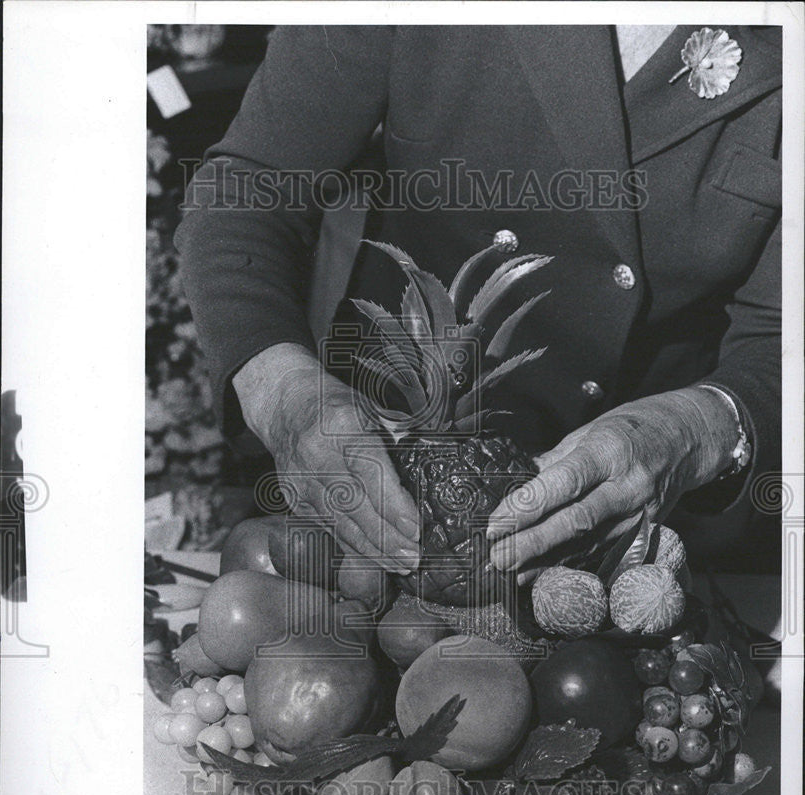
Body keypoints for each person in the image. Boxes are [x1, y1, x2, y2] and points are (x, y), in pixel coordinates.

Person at [175, 24, 781, 579]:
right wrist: (282, 392)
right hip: (379, 486)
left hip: (653, 533)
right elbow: (251, 187)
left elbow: (785, 338)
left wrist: (704, 429)